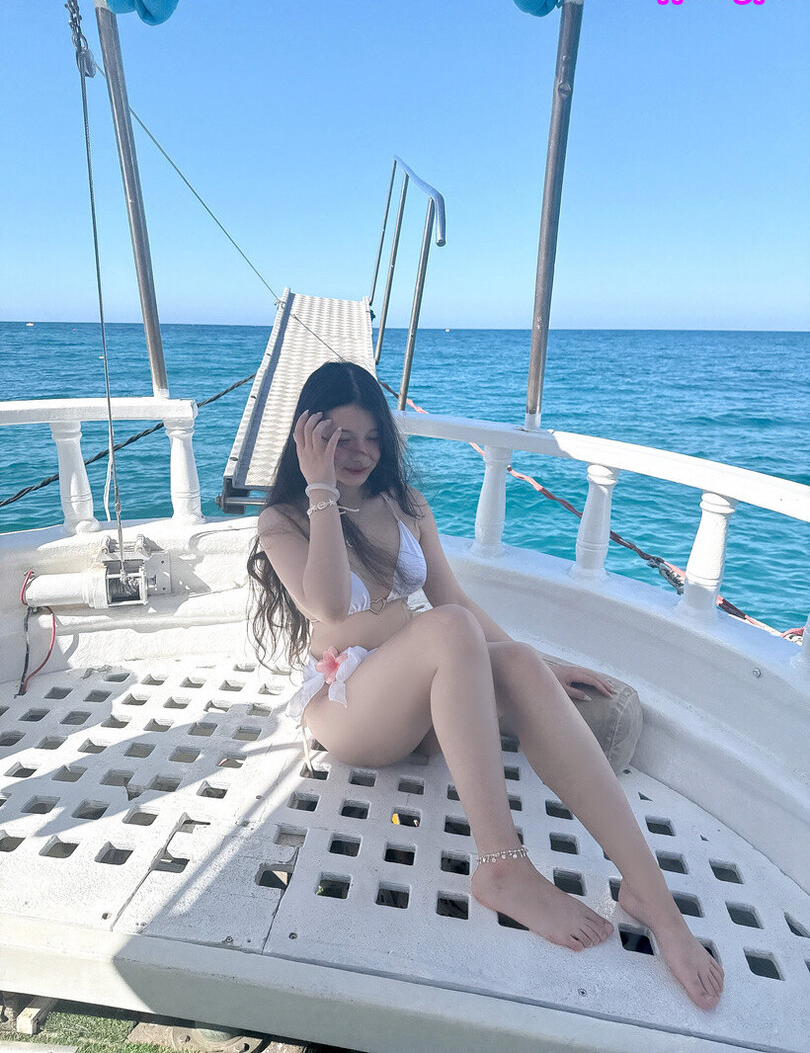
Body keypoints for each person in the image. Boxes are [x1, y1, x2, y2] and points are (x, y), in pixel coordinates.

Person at [247, 360, 724, 1010]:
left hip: (416, 699)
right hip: (349, 709)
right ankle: (503, 867)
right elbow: (329, 607)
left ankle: (652, 897)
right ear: (309, 437)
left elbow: (457, 600)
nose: (359, 453)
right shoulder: (286, 519)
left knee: (518, 659)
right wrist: (321, 491)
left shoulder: (402, 504)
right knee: (446, 630)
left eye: (372, 437)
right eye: (340, 438)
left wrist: (546, 668)